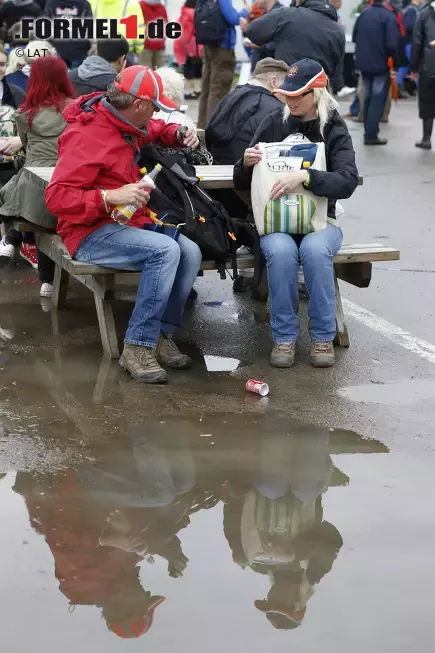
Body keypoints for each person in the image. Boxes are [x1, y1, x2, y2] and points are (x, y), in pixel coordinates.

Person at [45, 66, 202, 384]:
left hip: (126, 223)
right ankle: (137, 347)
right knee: (165, 251)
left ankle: (159, 334)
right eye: (155, 107)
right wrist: (108, 196)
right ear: (141, 104)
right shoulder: (87, 135)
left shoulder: (123, 118)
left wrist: (174, 133)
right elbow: (56, 198)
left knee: (192, 252)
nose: (156, 114)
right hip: (88, 232)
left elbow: (150, 129)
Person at [234, 59, 359, 369]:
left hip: (321, 223)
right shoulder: (273, 121)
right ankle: (284, 338)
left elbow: (347, 180)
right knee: (280, 249)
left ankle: (321, 337)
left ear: (316, 93)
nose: (289, 101)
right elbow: (240, 180)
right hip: (276, 223)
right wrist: (245, 163)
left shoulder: (333, 126)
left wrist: (306, 178)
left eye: (296, 95)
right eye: (286, 95)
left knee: (315, 250)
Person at [0, 56, 76, 297]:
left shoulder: (25, 114)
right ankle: (47, 281)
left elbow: (24, 143)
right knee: (48, 218)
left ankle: (12, 239)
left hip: (32, 187)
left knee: (20, 194)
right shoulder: (75, 110)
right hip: (67, 183)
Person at [205, 57, 288, 165]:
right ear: (273, 82)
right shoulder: (276, 108)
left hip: (217, 167)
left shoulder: (230, 96)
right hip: (247, 173)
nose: (288, 91)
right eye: (286, 85)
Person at [242, 1, 345, 84]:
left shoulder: (287, 15)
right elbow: (336, 75)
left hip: (287, 92)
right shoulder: (338, 31)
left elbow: (252, 31)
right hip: (318, 96)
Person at [353, 0, 400, 145]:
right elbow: (392, 43)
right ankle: (371, 135)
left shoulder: (363, 14)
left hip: (364, 64)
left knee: (366, 98)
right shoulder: (388, 16)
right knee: (377, 99)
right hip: (380, 64)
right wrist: (396, 64)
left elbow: (355, 37)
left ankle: (368, 132)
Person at [197, 0, 248, 129]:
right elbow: (233, 18)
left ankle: (202, 126)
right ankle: (213, 129)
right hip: (222, 48)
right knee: (218, 90)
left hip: (208, 45)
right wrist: (246, 11)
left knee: (207, 89)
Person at [410, 1, 435, 150]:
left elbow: (417, 42)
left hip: (429, 66)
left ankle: (426, 139)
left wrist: (413, 67)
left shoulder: (424, 14)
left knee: (427, 102)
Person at [0, 44, 25, 187]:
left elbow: (34, 127)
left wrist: (20, 140)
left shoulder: (17, 93)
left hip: (12, 170)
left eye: (2, 64)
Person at [44, 0, 93, 69]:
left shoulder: (51, 3)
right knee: (77, 77)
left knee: (59, 77)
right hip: (78, 51)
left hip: (57, 49)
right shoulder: (84, 3)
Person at [240, 0, 283, 73]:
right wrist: (246, 29)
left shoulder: (280, 14)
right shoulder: (266, 14)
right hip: (260, 68)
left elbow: (278, 45)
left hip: (270, 71)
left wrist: (257, 45)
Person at [174, 0, 203, 99]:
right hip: (195, 44)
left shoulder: (185, 13)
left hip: (189, 45)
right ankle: (195, 90)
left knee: (190, 67)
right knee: (196, 67)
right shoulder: (195, 13)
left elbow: (184, 32)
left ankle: (190, 90)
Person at [139, 0, 168, 69]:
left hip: (145, 44)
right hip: (159, 44)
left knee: (145, 72)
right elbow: (166, 24)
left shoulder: (140, 6)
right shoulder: (162, 7)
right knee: (161, 72)